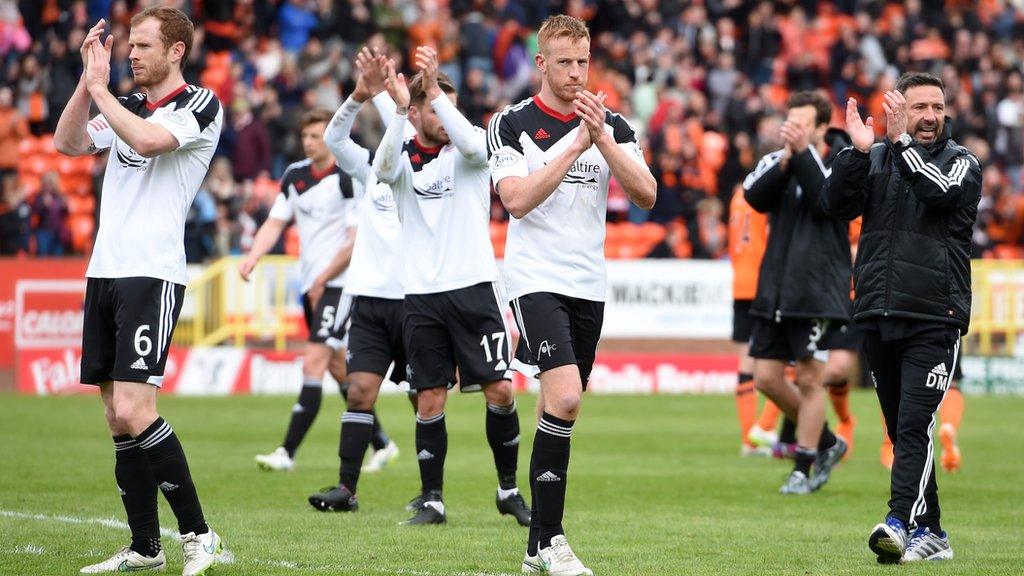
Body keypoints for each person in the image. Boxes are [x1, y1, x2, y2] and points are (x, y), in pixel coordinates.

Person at [53, 9, 224, 575]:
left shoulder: (199, 104)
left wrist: (104, 92)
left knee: (135, 406)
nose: (133, 53)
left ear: (177, 51)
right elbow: (67, 142)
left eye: (144, 45)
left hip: (152, 273)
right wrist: (87, 81)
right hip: (105, 270)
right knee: (113, 414)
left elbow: (150, 142)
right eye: (129, 45)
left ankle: (199, 535)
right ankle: (146, 547)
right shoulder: (122, 102)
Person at [488, 15, 656, 575]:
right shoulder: (510, 124)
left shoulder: (613, 124)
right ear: (541, 64)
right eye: (564, 62)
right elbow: (515, 200)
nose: (576, 73)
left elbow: (647, 194)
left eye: (583, 62)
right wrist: (576, 141)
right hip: (534, 279)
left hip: (589, 283)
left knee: (557, 408)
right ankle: (554, 541)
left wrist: (603, 136)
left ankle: (535, 547)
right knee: (565, 398)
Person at [822, 71, 981, 563]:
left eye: (937, 107)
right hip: (877, 310)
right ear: (900, 110)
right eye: (919, 107)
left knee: (913, 425)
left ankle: (898, 522)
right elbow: (834, 207)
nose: (930, 116)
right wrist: (858, 152)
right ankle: (933, 533)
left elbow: (938, 194)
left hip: (935, 314)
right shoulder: (879, 158)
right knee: (902, 427)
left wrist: (899, 145)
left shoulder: (963, 163)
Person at [374, 46, 530, 527]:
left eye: (451, 106)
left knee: (501, 391)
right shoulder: (401, 157)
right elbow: (381, 170)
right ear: (416, 112)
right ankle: (433, 499)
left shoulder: (472, 155)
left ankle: (508, 490)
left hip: (474, 288)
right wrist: (400, 110)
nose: (446, 115)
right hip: (421, 295)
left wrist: (437, 91)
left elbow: (472, 142)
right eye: (436, 106)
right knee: (429, 398)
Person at [240, 108, 398, 473]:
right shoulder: (295, 176)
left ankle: (287, 452)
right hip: (314, 285)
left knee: (313, 360)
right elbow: (275, 223)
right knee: (337, 366)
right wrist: (253, 257)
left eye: (317, 136)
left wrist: (325, 278)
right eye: (306, 136)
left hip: (339, 284)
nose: (310, 143)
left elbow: (355, 240)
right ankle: (382, 443)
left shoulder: (349, 177)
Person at [307, 46, 412, 512]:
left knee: (426, 398)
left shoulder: (430, 175)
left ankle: (434, 495)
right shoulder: (369, 171)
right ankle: (347, 490)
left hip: (417, 301)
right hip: (370, 301)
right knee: (359, 390)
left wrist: (394, 97)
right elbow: (334, 138)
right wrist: (360, 95)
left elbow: (408, 131)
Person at [742, 91, 852, 495]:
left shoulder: (842, 161)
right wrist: (789, 160)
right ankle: (826, 443)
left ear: (822, 127)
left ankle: (803, 467)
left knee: (809, 378)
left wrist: (803, 156)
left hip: (817, 289)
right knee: (767, 379)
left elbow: (829, 202)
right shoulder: (780, 161)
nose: (795, 129)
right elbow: (753, 196)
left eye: (804, 122)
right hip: (776, 288)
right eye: (792, 121)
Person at [727, 183, 778, 457]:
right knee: (787, 363)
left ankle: (749, 440)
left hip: (740, 284)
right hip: (764, 283)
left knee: (746, 366)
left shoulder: (737, 194)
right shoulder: (768, 190)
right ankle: (764, 427)